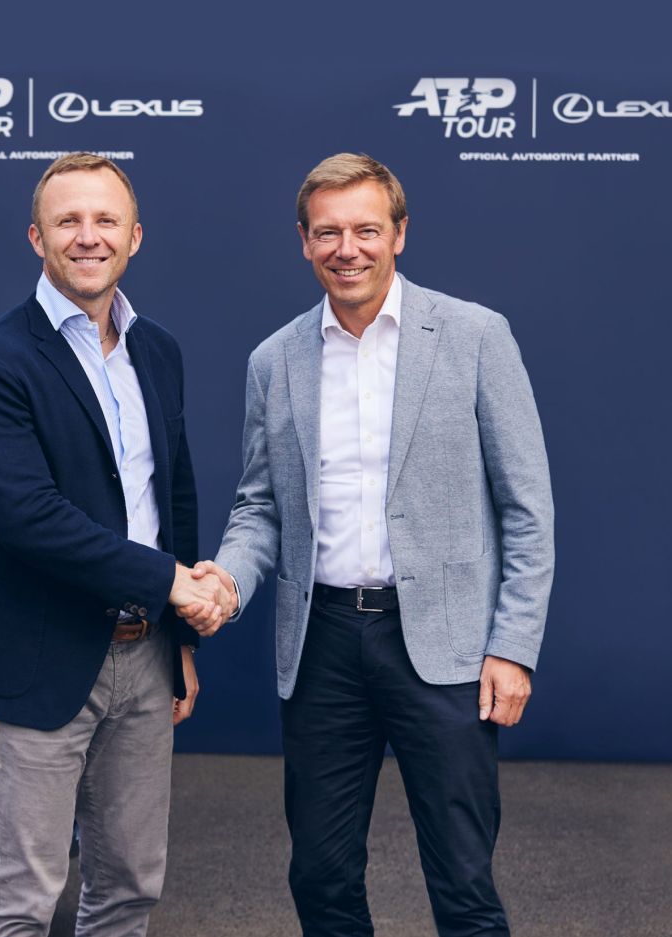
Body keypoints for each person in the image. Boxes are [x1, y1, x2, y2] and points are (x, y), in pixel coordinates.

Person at [192, 153, 553, 936]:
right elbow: (260, 507)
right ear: (303, 241)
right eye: (328, 232)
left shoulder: (475, 336)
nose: (346, 248)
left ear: (399, 234)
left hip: (447, 647)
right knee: (320, 876)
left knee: (462, 880)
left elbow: (528, 509)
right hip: (322, 645)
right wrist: (227, 578)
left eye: (365, 229)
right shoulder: (274, 359)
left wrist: (513, 645)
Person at [0, 152, 234, 937]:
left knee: (130, 884)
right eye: (67, 221)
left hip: (145, 658)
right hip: (38, 657)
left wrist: (180, 640)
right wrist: (174, 582)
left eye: (105, 220)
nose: (87, 236)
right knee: (23, 897)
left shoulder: (158, 350)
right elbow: (28, 517)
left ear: (135, 237)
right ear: (35, 237)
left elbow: (171, 496)